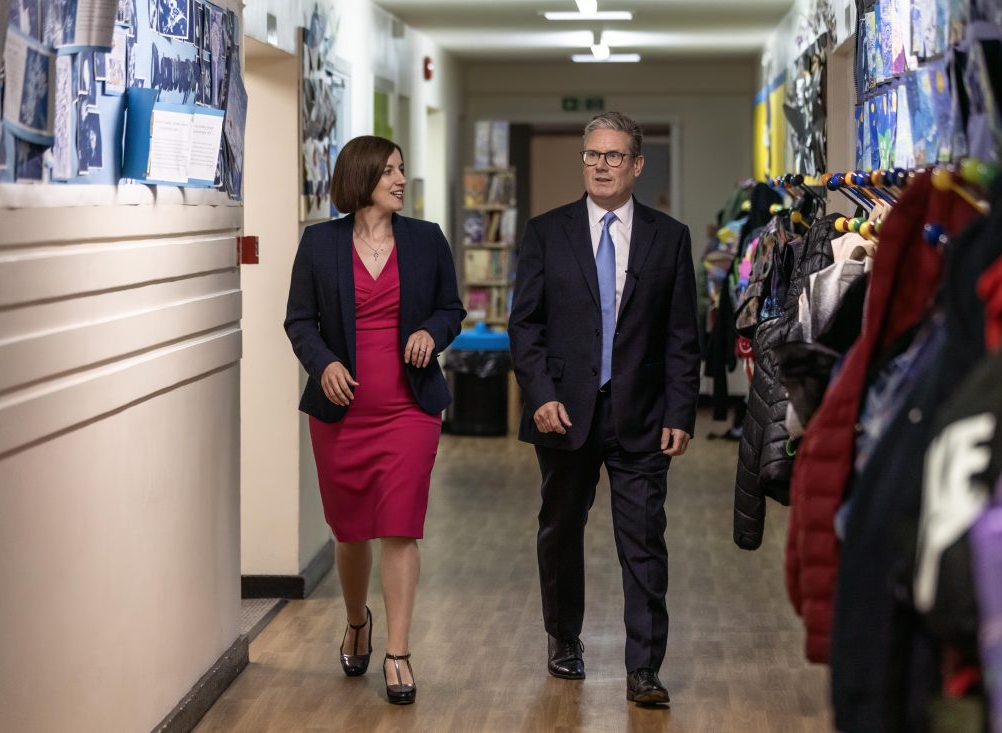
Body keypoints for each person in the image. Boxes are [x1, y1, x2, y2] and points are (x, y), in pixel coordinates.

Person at [508, 112, 701, 705]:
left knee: (643, 540)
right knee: (561, 531)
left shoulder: (669, 238)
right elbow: (526, 325)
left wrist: (680, 412)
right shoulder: (547, 232)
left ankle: (644, 669)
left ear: (636, 165)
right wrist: (539, 396)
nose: (601, 164)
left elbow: (681, 335)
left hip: (640, 415)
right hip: (563, 414)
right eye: (593, 154)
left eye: (614, 156)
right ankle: (563, 638)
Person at [283, 135, 464, 705]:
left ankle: (399, 653)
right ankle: (357, 620)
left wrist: (430, 332)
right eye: (390, 171)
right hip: (342, 412)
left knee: (401, 526)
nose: (401, 179)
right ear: (362, 178)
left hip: (409, 407)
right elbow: (299, 322)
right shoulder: (319, 243)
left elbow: (450, 309)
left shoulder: (426, 240)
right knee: (351, 528)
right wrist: (325, 362)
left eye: (402, 170)